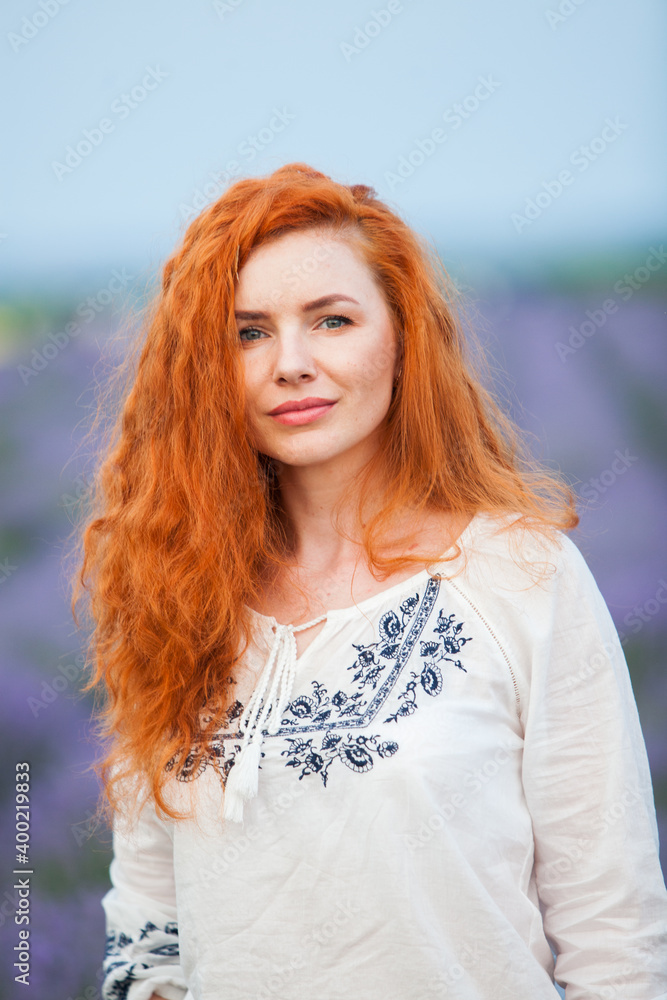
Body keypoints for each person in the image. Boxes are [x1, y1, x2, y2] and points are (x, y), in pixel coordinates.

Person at [70, 162, 667, 1000]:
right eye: (247, 333)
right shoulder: (173, 598)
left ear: (400, 337)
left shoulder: (521, 576)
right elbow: (147, 933)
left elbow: (615, 939)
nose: (290, 363)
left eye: (332, 320)